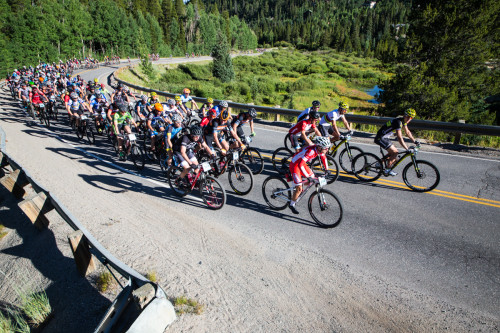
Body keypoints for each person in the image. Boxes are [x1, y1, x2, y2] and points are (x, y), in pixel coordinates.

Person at [288, 136, 331, 214]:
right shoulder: (311, 151)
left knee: (313, 179)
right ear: (320, 147)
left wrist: (327, 169)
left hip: (302, 164)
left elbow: (323, 158)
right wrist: (307, 177)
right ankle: (292, 204)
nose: (327, 150)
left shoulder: (319, 150)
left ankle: (297, 188)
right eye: (326, 148)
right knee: (299, 188)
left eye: (327, 148)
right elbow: (300, 165)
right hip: (295, 165)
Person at [374, 108, 420, 176]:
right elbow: (399, 137)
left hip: (385, 137)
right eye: (408, 117)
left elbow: (407, 132)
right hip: (380, 137)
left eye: (411, 118)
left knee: (395, 156)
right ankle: (387, 170)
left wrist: (415, 141)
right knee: (395, 152)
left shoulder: (403, 121)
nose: (409, 119)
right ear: (405, 115)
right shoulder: (398, 122)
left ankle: (379, 163)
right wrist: (407, 149)